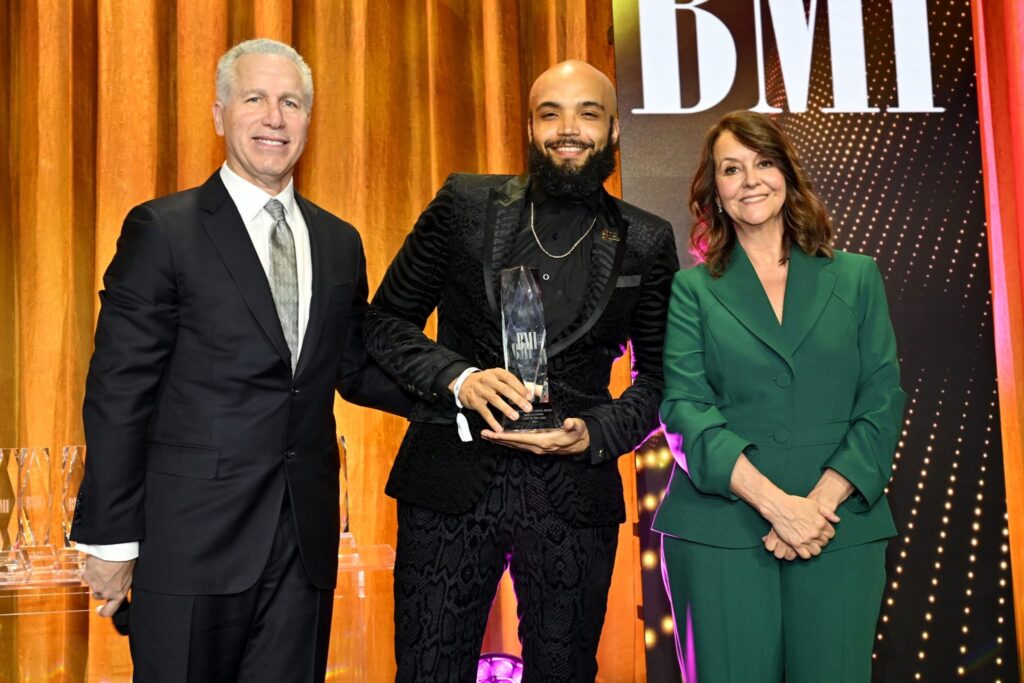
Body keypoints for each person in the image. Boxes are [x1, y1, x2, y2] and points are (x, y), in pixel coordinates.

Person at [70, 38, 410, 682]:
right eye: (255, 99)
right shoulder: (162, 230)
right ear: (220, 115)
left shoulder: (339, 241)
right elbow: (119, 391)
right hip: (187, 546)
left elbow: (354, 368)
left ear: (309, 119)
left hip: (302, 552)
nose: (274, 118)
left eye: (291, 103)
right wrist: (111, 539)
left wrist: (465, 394)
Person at [363, 60, 679, 681]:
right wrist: (460, 379)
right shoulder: (464, 203)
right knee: (428, 671)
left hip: (571, 493)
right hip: (450, 478)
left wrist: (595, 433)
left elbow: (661, 377)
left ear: (614, 130)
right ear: (530, 128)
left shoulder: (645, 239)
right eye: (550, 113)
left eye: (588, 113)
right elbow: (385, 321)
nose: (569, 128)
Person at [653, 110, 906, 683]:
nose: (750, 180)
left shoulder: (858, 277)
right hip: (719, 530)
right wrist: (778, 507)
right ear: (714, 191)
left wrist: (816, 507)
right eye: (731, 169)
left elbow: (882, 399)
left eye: (763, 163)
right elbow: (684, 408)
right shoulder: (692, 289)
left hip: (838, 526)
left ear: (787, 175)